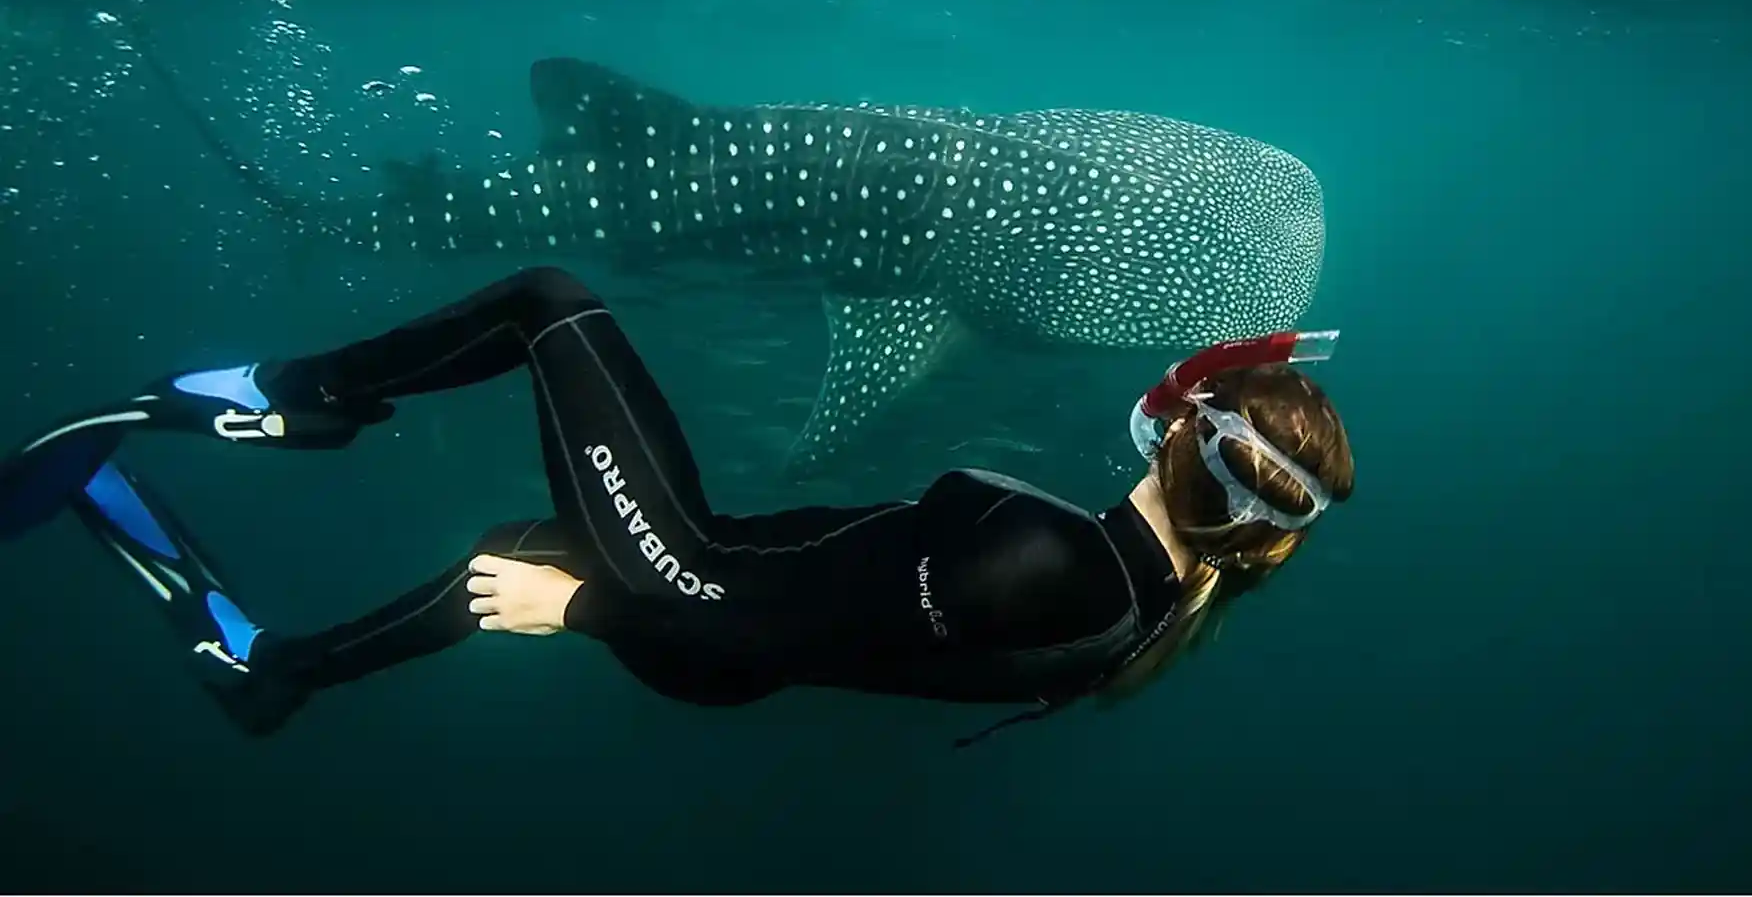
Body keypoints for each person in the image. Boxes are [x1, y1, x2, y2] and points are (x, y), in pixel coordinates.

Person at [0, 267, 1354, 746]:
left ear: (1182, 429)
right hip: (725, 620)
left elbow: (783, 634)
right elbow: (860, 630)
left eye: (1184, 392)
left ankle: (295, 398)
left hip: (703, 598)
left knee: (547, 305)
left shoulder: (1046, 556)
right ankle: (274, 674)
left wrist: (591, 603)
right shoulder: (1157, 596)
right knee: (509, 550)